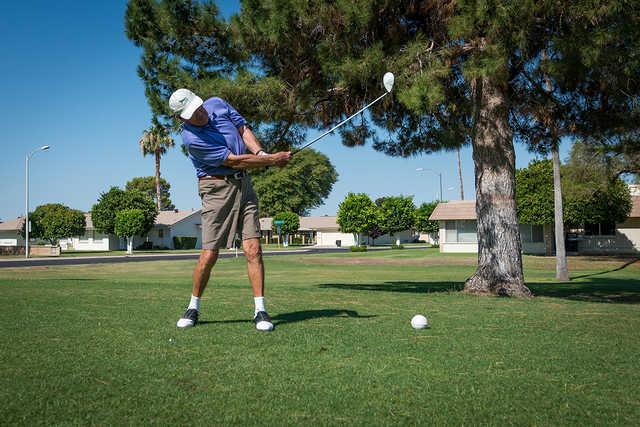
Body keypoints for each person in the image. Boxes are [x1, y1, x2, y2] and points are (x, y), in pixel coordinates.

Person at [169, 88, 291, 331]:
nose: (200, 114)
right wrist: (272, 160)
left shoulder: (217, 104)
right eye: (192, 113)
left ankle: (261, 310)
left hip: (244, 184)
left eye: (199, 107)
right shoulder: (192, 139)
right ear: (181, 118)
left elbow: (243, 129)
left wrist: (261, 152)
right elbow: (234, 159)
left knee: (253, 249)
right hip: (215, 188)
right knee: (210, 253)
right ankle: (193, 307)